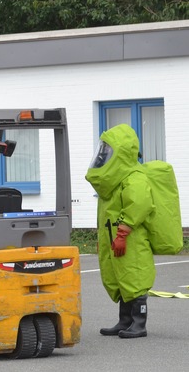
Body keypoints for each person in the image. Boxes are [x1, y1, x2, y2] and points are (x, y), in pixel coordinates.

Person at [85, 123, 155, 339]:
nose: (104, 154)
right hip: (114, 236)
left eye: (109, 150)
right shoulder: (115, 180)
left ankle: (139, 324)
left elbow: (139, 206)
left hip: (131, 237)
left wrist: (123, 233)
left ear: (121, 152)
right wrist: (105, 239)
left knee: (134, 275)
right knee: (121, 277)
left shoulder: (135, 177)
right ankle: (125, 321)